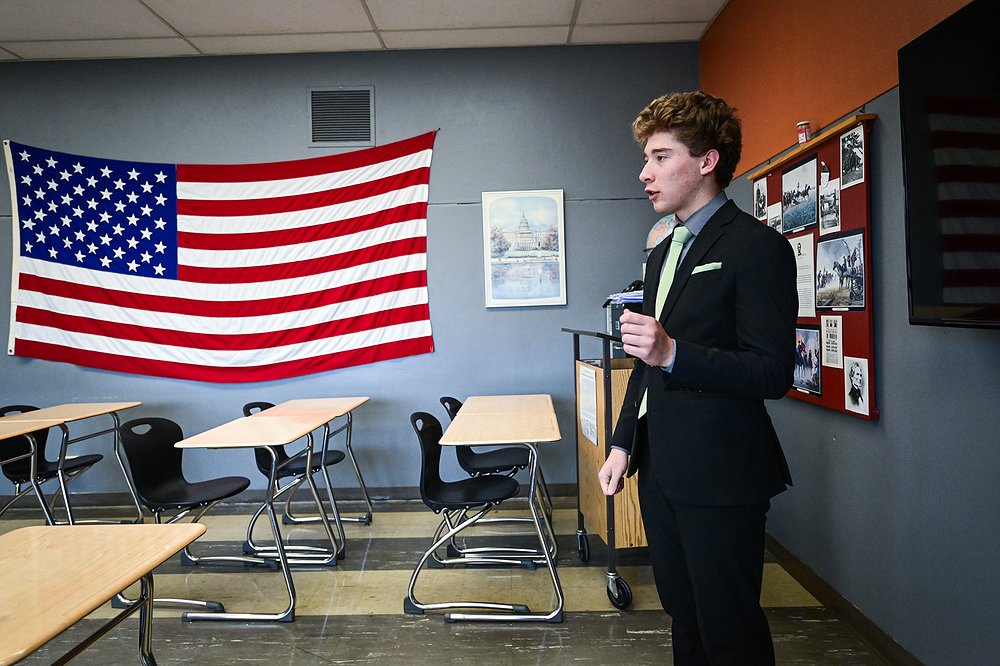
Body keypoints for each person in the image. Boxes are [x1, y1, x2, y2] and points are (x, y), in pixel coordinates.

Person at [598, 91, 797, 665]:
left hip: (723, 474)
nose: (645, 173)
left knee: (729, 630)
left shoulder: (757, 247)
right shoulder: (662, 253)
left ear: (707, 161)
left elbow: (772, 371)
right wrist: (622, 442)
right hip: (661, 471)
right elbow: (647, 359)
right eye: (646, 158)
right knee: (683, 617)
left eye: (661, 157)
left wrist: (674, 353)